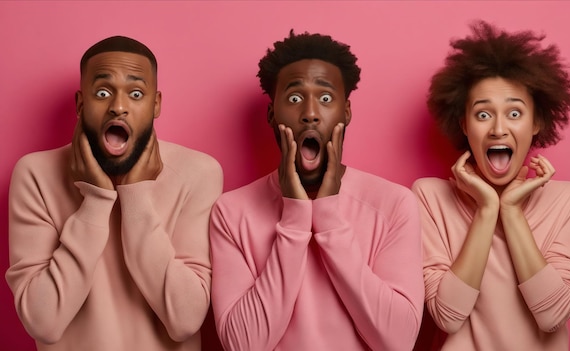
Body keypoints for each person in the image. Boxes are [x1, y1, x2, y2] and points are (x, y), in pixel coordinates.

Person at [209, 30, 424, 351]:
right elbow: (243, 345)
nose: (310, 113)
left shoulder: (394, 204)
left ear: (346, 112)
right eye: (295, 98)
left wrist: (328, 216)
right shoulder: (230, 211)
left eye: (325, 99)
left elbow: (399, 341)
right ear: (272, 114)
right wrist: (295, 215)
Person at [5, 36, 223, 351]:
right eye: (103, 92)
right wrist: (95, 201)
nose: (118, 107)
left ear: (156, 104)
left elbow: (185, 321)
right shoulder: (35, 174)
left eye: (136, 93)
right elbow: (44, 323)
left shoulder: (199, 173)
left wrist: (136, 196)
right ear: (80, 104)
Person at [412, 21, 570, 351]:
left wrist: (510, 211)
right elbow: (448, 317)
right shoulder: (429, 197)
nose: (498, 129)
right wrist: (487, 209)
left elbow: (553, 315)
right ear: (464, 124)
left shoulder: (569, 199)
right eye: (482, 115)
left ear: (537, 122)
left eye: (514, 113)